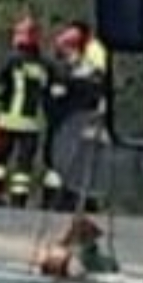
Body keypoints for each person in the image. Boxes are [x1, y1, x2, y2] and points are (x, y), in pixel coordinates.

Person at [0, 16, 51, 207]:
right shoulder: (44, 64)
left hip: (8, 120)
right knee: (23, 165)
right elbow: (54, 87)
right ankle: (18, 199)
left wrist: (0, 100)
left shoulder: (11, 60)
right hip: (31, 124)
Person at [43, 23, 108, 211]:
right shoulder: (80, 74)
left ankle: (61, 201)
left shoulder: (63, 73)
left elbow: (51, 101)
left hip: (66, 128)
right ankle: (72, 201)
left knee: (63, 166)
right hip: (71, 128)